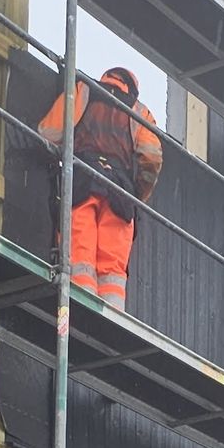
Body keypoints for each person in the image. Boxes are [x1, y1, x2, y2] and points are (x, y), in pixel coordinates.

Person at [37, 62, 163, 308]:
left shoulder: (83, 90)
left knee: (80, 255)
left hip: (82, 179)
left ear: (107, 78)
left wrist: (56, 158)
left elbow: (48, 134)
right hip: (121, 192)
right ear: (132, 88)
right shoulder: (139, 111)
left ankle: (81, 308)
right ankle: (111, 317)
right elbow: (152, 157)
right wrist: (139, 193)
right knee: (113, 271)